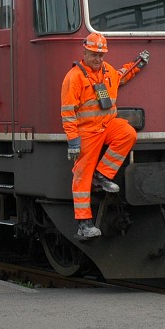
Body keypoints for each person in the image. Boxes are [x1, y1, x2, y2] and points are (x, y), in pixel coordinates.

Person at [60, 33, 149, 239]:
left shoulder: (108, 71)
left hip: (107, 125)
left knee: (127, 133)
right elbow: (67, 112)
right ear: (85, 53)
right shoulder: (74, 77)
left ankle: (102, 175)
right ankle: (84, 225)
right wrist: (73, 140)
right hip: (87, 132)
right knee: (81, 176)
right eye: (94, 54)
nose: (98, 58)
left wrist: (138, 64)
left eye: (101, 54)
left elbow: (122, 75)